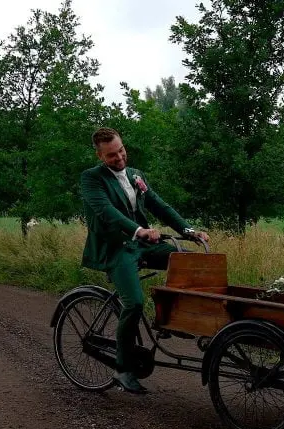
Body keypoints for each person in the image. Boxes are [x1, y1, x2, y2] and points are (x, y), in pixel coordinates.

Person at [79, 127, 209, 395]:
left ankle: (170, 320)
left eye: (122, 150)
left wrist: (189, 231)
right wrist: (138, 230)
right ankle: (123, 369)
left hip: (142, 244)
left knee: (188, 262)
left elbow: (160, 206)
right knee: (134, 303)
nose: (120, 158)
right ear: (100, 155)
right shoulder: (91, 179)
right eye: (112, 155)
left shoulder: (136, 175)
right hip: (116, 248)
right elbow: (107, 212)